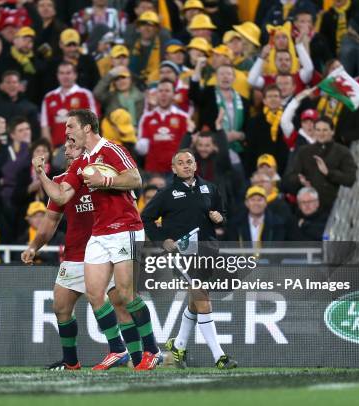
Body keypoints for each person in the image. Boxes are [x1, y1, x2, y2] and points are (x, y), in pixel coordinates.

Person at [34, 109, 161, 370]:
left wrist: (104, 179)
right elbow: (60, 197)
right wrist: (42, 175)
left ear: (87, 128)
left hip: (125, 227)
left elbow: (136, 179)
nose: (66, 132)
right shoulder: (82, 163)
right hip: (100, 234)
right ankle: (118, 350)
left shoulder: (112, 149)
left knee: (125, 295)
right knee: (95, 294)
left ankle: (152, 349)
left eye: (70, 127)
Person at [22, 140, 143, 369]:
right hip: (77, 252)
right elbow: (49, 222)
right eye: (65, 147)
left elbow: (130, 206)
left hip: (108, 247)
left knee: (119, 303)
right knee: (61, 305)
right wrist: (33, 247)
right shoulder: (59, 184)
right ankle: (71, 363)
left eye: (72, 145)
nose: (67, 150)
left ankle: (136, 360)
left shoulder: (103, 175)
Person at [141, 149, 238, 369]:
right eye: (180, 163)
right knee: (202, 296)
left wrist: (219, 218)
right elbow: (145, 218)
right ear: (173, 168)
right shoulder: (166, 193)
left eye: (189, 162)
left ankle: (179, 344)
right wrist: (162, 240)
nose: (186, 165)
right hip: (182, 253)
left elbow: (223, 216)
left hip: (208, 250)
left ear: (195, 165)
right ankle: (219, 356)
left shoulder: (210, 188)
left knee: (196, 300)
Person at [283, 116, 357, 214]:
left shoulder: (342, 152)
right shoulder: (303, 151)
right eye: (318, 130)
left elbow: (350, 179)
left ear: (332, 131)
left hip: (332, 210)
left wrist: (329, 173)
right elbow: (289, 177)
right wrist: (300, 180)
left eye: (325, 130)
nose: (321, 134)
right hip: (306, 209)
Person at [136, 79, 189, 175]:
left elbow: (186, 145)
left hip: (176, 171)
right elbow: (141, 147)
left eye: (167, 91)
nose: (163, 94)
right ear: (156, 94)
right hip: (153, 171)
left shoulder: (183, 117)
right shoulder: (147, 117)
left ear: (174, 94)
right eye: (160, 91)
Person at [41, 62, 98, 148]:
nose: (65, 76)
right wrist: (50, 150)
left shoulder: (85, 94)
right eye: (62, 73)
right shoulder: (49, 97)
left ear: (75, 75)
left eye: (68, 73)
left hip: (81, 148)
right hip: (58, 149)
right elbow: (45, 127)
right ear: (57, 76)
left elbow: (93, 123)